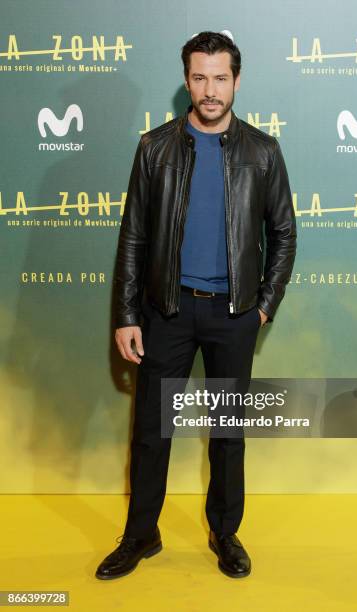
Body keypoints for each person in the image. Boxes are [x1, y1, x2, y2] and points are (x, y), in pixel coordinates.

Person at [96, 30, 297, 581]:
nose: (210, 90)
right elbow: (133, 237)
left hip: (236, 316)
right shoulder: (154, 148)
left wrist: (263, 307)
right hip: (167, 312)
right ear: (187, 79)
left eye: (221, 78)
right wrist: (127, 315)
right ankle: (141, 535)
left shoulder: (263, 151)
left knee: (228, 434)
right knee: (151, 432)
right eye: (200, 77)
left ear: (236, 80)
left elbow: (283, 233)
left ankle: (225, 533)